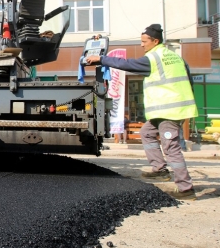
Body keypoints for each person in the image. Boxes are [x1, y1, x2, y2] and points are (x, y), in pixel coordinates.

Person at [85, 24, 198, 200]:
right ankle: (159, 170)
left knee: (171, 148)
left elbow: (128, 64)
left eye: (144, 41)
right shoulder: (175, 57)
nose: (141, 45)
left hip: (169, 111)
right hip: (171, 109)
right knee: (146, 132)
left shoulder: (153, 58)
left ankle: (186, 189)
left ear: (155, 41)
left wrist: (102, 59)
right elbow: (190, 82)